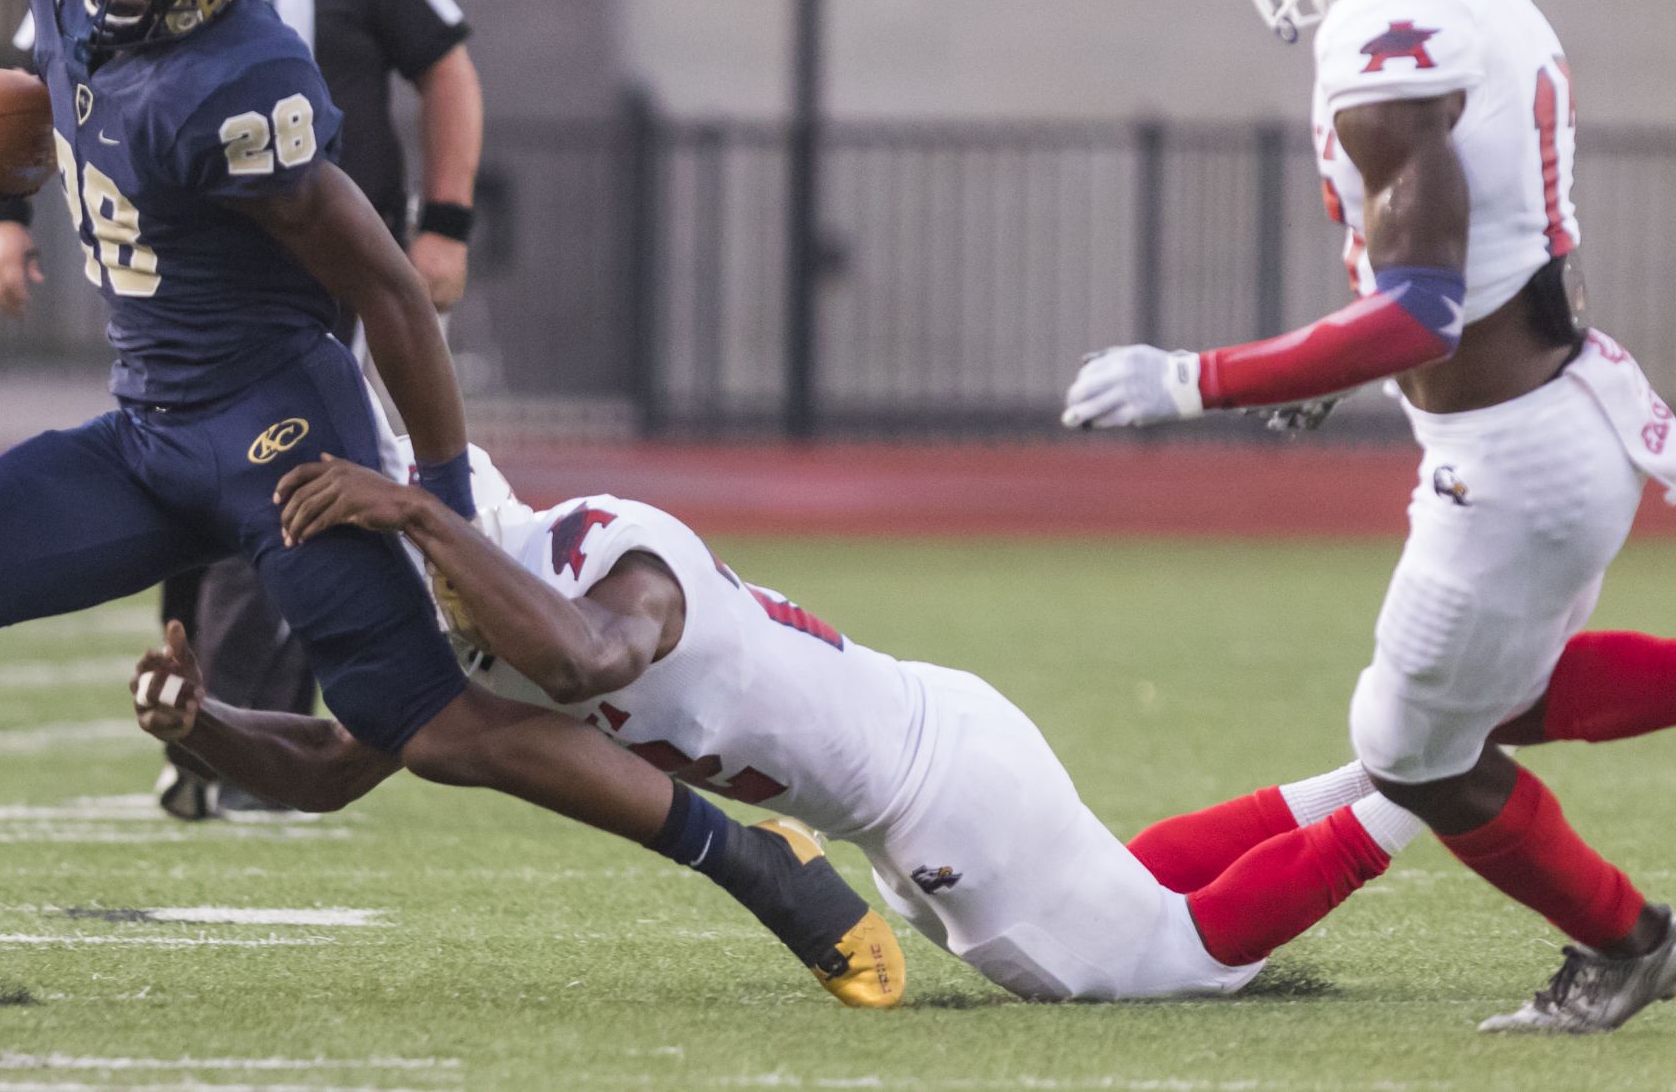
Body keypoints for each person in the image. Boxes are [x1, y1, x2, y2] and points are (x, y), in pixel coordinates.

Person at [0, 0, 897, 1010]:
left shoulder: (241, 83)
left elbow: (388, 290)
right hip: (150, 427)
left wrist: (435, 496)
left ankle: (760, 865)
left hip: (277, 434)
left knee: (434, 731)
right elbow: (70, 116)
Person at [1061, 0, 1676, 1033]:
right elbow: (1480, 264)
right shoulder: (1486, 5)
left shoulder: (1387, 42)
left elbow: (1417, 312)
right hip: (1569, 408)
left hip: (1505, 458)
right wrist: (1345, 366)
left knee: (1412, 752)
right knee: (1496, 699)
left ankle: (1629, 941)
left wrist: (1192, 381)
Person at [130, 441, 1432, 1001]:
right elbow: (328, 770)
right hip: (923, 769)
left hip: (937, 792)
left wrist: (414, 513)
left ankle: (1413, 795)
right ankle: (1374, 776)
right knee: (1132, 884)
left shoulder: (607, 549)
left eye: (422, 564)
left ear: (463, 535)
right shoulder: (488, 628)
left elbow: (591, 661)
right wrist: (203, 723)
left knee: (1168, 958)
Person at [0, 0, 485, 819]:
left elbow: (444, 62)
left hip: (317, 266)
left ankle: (272, 734)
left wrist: (442, 221)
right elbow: (46, 80)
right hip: (181, 269)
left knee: (280, 487)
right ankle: (217, 735)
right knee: (197, 482)